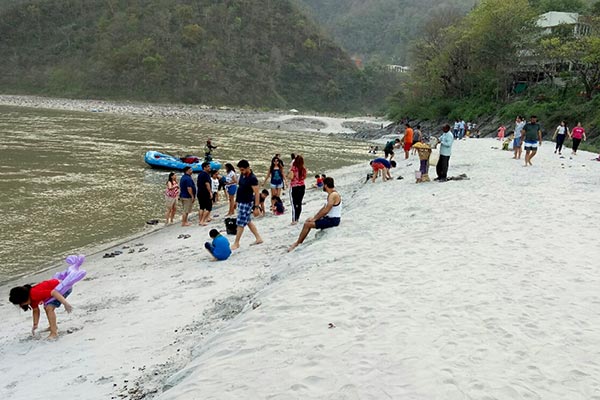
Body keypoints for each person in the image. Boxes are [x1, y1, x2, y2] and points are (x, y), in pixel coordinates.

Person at [288, 177, 341, 252]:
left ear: (325, 185)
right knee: (309, 220)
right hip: (329, 218)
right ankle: (299, 241)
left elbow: (326, 210)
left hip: (333, 220)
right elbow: (323, 209)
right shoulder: (331, 194)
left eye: (323, 185)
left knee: (307, 224)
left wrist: (315, 219)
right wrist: (314, 217)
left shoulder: (333, 195)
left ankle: (297, 243)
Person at [9, 280, 74, 339]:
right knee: (46, 307)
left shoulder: (34, 294)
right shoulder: (30, 298)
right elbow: (35, 310)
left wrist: (65, 304)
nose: (22, 305)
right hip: (57, 290)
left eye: (21, 303)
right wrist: (35, 325)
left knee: (49, 308)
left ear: (24, 299)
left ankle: (54, 333)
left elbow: (53, 292)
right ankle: (53, 326)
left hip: (64, 288)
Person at [231, 160, 263, 250]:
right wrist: (236, 201)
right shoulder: (243, 175)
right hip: (241, 201)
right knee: (247, 221)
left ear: (248, 168)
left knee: (240, 222)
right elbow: (240, 188)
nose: (241, 171)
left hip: (247, 202)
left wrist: (256, 207)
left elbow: (257, 193)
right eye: (240, 170)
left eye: (243, 170)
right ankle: (258, 238)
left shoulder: (252, 178)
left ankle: (236, 243)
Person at [288, 154, 307, 225]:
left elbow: (291, 177)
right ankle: (297, 218)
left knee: (293, 204)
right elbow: (304, 177)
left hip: (294, 187)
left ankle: (294, 219)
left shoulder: (293, 168)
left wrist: (288, 175)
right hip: (302, 186)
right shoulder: (303, 168)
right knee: (299, 203)